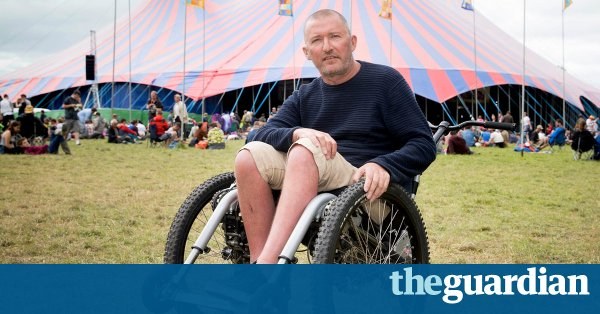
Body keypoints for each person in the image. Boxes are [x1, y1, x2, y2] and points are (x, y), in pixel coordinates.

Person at [234, 9, 436, 264]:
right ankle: (258, 261)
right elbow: (256, 135)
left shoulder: (386, 82)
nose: (327, 47)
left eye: (335, 37)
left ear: (352, 43)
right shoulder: (304, 96)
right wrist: (297, 131)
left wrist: (383, 164)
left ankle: (268, 267)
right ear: (307, 52)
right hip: (314, 179)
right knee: (248, 157)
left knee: (305, 150)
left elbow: (423, 145)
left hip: (368, 189)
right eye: (317, 40)